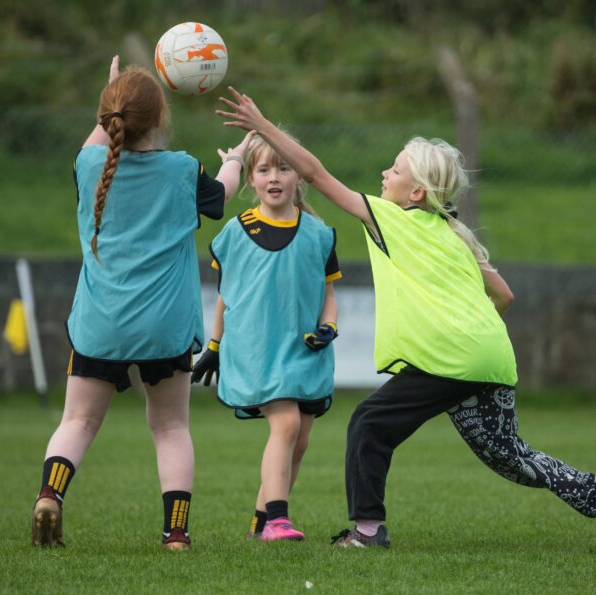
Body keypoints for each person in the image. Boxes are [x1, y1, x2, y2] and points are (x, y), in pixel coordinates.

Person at [215, 87, 596, 549]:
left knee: (369, 424)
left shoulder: (389, 219)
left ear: (415, 192)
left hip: (452, 358)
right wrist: (471, 336)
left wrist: (262, 124)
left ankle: (367, 531)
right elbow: (504, 295)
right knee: (512, 457)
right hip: (493, 357)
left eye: (394, 170)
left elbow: (314, 173)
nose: (384, 173)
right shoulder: (453, 232)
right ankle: (590, 491)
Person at [30, 57, 254, 551]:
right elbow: (222, 195)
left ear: (109, 117)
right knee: (170, 427)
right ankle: (176, 532)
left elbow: (97, 141)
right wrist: (236, 158)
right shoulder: (182, 169)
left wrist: (112, 97)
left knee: (78, 421)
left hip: (101, 322)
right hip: (164, 326)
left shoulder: (88, 165)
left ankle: (50, 495)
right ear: (159, 120)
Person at [191, 132, 342, 541]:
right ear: (251, 180)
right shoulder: (235, 233)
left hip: (304, 352)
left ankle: (261, 522)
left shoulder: (319, 235)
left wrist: (328, 327)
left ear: (300, 177)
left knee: (300, 439)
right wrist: (215, 346)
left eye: (284, 168)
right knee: (286, 423)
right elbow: (227, 296)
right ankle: (278, 519)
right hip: (257, 350)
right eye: (263, 169)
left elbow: (328, 296)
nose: (274, 177)